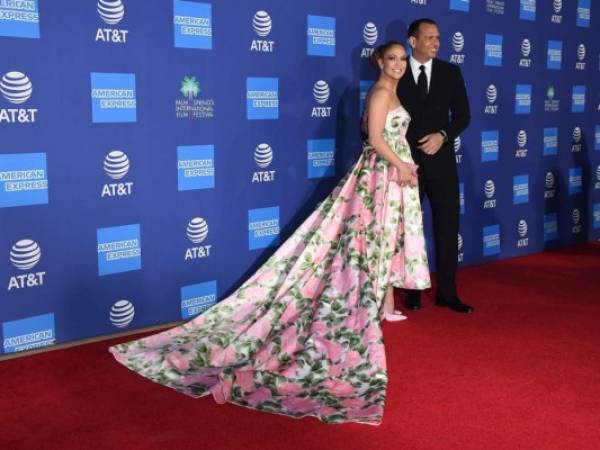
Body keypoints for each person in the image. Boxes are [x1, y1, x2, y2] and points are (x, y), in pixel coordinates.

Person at [109, 42, 430, 425]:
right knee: (363, 240)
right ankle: (362, 303)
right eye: (390, 59)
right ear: (379, 61)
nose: (396, 65)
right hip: (380, 176)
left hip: (392, 177)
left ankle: (380, 301)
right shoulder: (379, 93)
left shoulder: (395, 91)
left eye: (399, 60)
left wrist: (404, 167)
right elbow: (376, 140)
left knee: (380, 237)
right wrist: (404, 165)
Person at [397, 18, 473, 314]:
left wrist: (442, 136)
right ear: (412, 41)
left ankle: (448, 292)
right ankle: (412, 290)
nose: (435, 42)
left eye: (438, 37)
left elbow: (464, 116)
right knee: (410, 229)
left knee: (447, 226)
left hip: (441, 163)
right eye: (428, 37)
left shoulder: (450, 73)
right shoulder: (397, 70)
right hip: (407, 165)